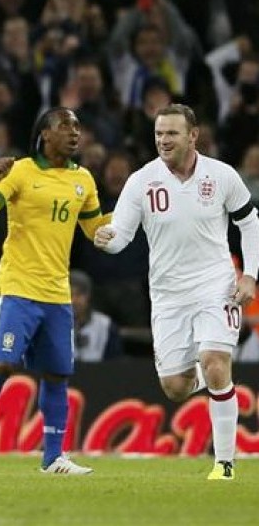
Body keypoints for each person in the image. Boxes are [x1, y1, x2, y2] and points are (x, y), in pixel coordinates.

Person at [94, 103, 259, 480]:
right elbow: (121, 234)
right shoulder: (141, 181)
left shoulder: (221, 176)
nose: (163, 140)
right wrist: (107, 238)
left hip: (216, 284)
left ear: (193, 136)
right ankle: (205, 376)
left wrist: (249, 275)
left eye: (171, 133)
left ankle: (225, 463)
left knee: (216, 360)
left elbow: (249, 223)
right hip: (168, 294)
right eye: (158, 134)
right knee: (175, 387)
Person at [0, 107, 108, 475]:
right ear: (44, 135)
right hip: (18, 285)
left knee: (56, 374)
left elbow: (95, 230)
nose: (74, 132)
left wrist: (133, 214)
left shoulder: (83, 179)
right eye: (65, 125)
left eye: (77, 126)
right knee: (5, 363)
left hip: (57, 292)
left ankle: (53, 457)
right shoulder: (20, 171)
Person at [69, 270, 124, 362]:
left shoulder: (105, 325)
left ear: (88, 296)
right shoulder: (53, 324)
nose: (74, 300)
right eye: (69, 295)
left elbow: (115, 365)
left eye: (79, 295)